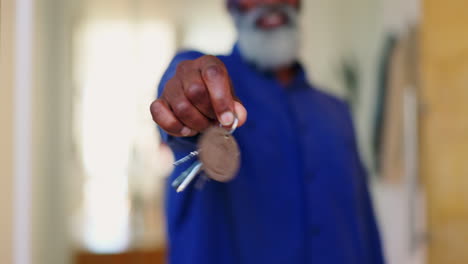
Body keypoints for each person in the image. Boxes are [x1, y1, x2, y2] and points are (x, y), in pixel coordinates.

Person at [150, 0, 385, 263]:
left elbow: (365, 226)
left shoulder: (337, 112)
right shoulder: (210, 88)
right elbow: (183, 81)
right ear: (231, 6)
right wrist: (186, 94)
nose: (272, 2)